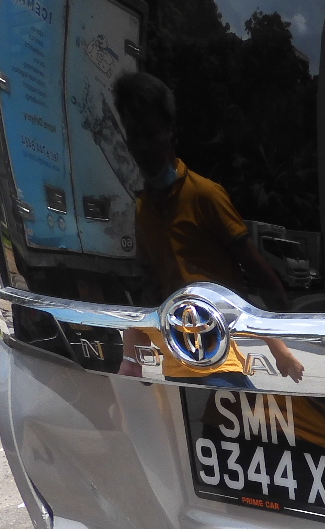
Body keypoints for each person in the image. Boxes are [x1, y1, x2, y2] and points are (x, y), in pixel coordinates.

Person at [112, 72, 303, 385]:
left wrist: (282, 341)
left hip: (220, 354)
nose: (143, 147)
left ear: (171, 134)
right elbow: (149, 286)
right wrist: (134, 355)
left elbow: (256, 271)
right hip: (175, 357)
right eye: (135, 137)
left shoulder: (205, 195)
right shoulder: (143, 209)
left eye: (151, 134)